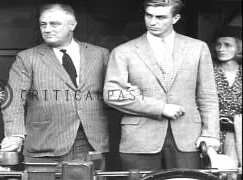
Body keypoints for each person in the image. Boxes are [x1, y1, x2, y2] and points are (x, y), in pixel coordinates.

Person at [103, 0, 220, 171]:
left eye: (161, 17)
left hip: (188, 138)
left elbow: (208, 95)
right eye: (148, 15)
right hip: (140, 140)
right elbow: (112, 94)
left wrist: (210, 134)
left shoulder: (198, 48)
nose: (152, 22)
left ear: (176, 18)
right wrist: (160, 108)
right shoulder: (123, 51)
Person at [0, 3, 110, 171]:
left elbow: (114, 92)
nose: (47, 29)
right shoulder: (27, 58)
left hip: (90, 144)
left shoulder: (100, 54)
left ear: (72, 25)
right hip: (44, 144)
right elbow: (13, 99)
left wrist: (128, 93)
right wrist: (15, 135)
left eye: (54, 24)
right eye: (43, 24)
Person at [213, 26, 242, 168]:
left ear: (239, 47)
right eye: (218, 45)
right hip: (213, 133)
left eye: (227, 45)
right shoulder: (209, 71)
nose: (221, 49)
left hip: (240, 133)